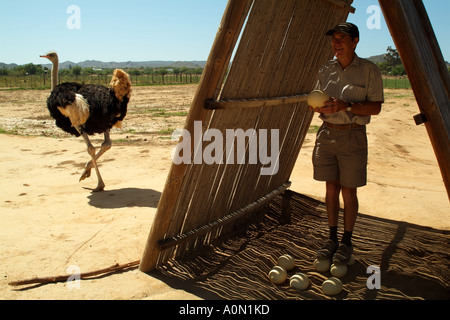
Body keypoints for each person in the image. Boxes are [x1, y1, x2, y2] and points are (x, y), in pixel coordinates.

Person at [309, 23, 384, 264]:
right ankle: (331, 239)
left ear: (355, 41)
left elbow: (376, 107)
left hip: (353, 135)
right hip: (327, 134)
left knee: (348, 191)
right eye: (334, 39)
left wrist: (347, 105)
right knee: (331, 187)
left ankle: (347, 242)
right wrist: (316, 105)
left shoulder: (369, 70)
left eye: (342, 38)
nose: (336, 43)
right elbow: (318, 96)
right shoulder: (326, 69)